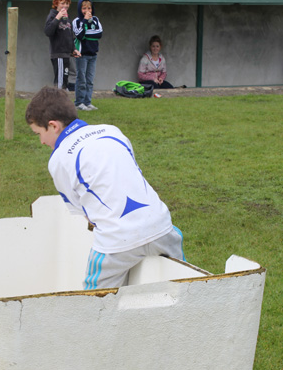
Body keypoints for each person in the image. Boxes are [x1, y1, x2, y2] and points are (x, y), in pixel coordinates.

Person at [25, 87, 185, 290]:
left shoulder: (58, 160)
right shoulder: (112, 130)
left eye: (39, 133)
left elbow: (84, 214)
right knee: (184, 282)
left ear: (53, 126)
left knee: (94, 302)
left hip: (117, 241)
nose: (41, 141)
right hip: (162, 227)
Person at [44, 0, 80, 90]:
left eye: (67, 3)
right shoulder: (53, 15)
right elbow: (48, 31)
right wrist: (58, 17)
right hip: (58, 55)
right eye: (62, 3)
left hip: (66, 55)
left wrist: (73, 49)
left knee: (64, 82)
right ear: (56, 3)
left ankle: (61, 104)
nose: (65, 6)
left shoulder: (67, 19)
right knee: (59, 84)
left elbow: (70, 36)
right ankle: (56, 104)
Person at [72, 0, 103, 111]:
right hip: (82, 54)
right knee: (81, 79)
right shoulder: (77, 21)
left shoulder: (95, 20)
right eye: (84, 8)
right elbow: (79, 35)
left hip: (93, 54)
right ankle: (79, 102)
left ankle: (87, 102)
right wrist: (85, 22)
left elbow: (99, 34)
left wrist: (87, 34)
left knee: (90, 80)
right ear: (80, 9)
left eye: (89, 8)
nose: (87, 10)